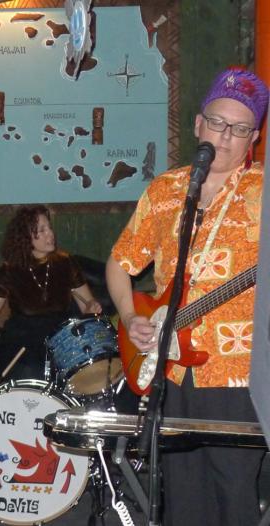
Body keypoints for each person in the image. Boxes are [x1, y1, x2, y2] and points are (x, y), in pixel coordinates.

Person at [105, 67, 269, 526]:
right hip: (171, 372)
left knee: (233, 491)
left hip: (238, 374)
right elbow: (120, 262)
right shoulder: (166, 190)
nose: (226, 136)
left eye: (240, 129)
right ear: (198, 124)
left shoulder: (264, 192)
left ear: (254, 138)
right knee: (181, 494)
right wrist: (129, 316)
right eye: (217, 122)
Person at [0, 205, 102, 381]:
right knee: (29, 371)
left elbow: (87, 305)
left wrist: (92, 307)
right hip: (22, 340)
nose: (50, 234)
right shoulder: (10, 269)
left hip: (62, 338)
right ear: (26, 237)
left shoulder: (65, 262)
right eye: (41, 230)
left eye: (49, 228)